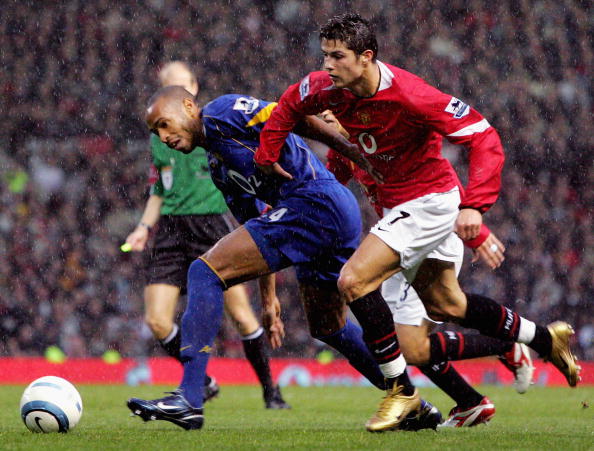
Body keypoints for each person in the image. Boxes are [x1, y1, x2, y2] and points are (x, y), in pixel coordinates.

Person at [255, 12, 580, 430]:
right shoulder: (329, 95)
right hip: (404, 215)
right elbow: (288, 106)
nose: (326, 67)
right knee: (444, 310)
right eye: (324, 56)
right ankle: (539, 340)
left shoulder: (410, 94)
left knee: (353, 280)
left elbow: (483, 135)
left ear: (366, 57)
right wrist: (267, 158)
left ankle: (402, 394)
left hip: (430, 202)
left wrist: (475, 208)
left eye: (337, 57)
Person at [127, 88, 439, 432]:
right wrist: (268, 299)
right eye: (156, 132)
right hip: (323, 214)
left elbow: (292, 116)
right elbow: (254, 231)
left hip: (315, 202)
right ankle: (407, 399)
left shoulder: (223, 111)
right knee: (328, 327)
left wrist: (353, 152)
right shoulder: (218, 167)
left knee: (204, 272)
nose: (164, 136)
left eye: (164, 124)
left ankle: (189, 397)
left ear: (189, 106)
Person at [324, 136, 533, 427]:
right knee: (401, 343)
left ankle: (501, 345)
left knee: (408, 342)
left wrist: (476, 233)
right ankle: (471, 401)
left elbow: (440, 178)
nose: (324, 113)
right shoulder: (342, 149)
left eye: (330, 108)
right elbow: (328, 186)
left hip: (426, 237)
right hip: (397, 240)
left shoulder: (383, 130)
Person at [124, 62, 289, 409]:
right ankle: (202, 381)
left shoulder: (210, 130)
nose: (170, 90)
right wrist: (143, 227)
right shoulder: (161, 141)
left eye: (178, 84)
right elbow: (159, 189)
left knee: (242, 315)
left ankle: (271, 392)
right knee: (156, 319)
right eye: (164, 85)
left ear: (192, 90)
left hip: (211, 225)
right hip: (171, 228)